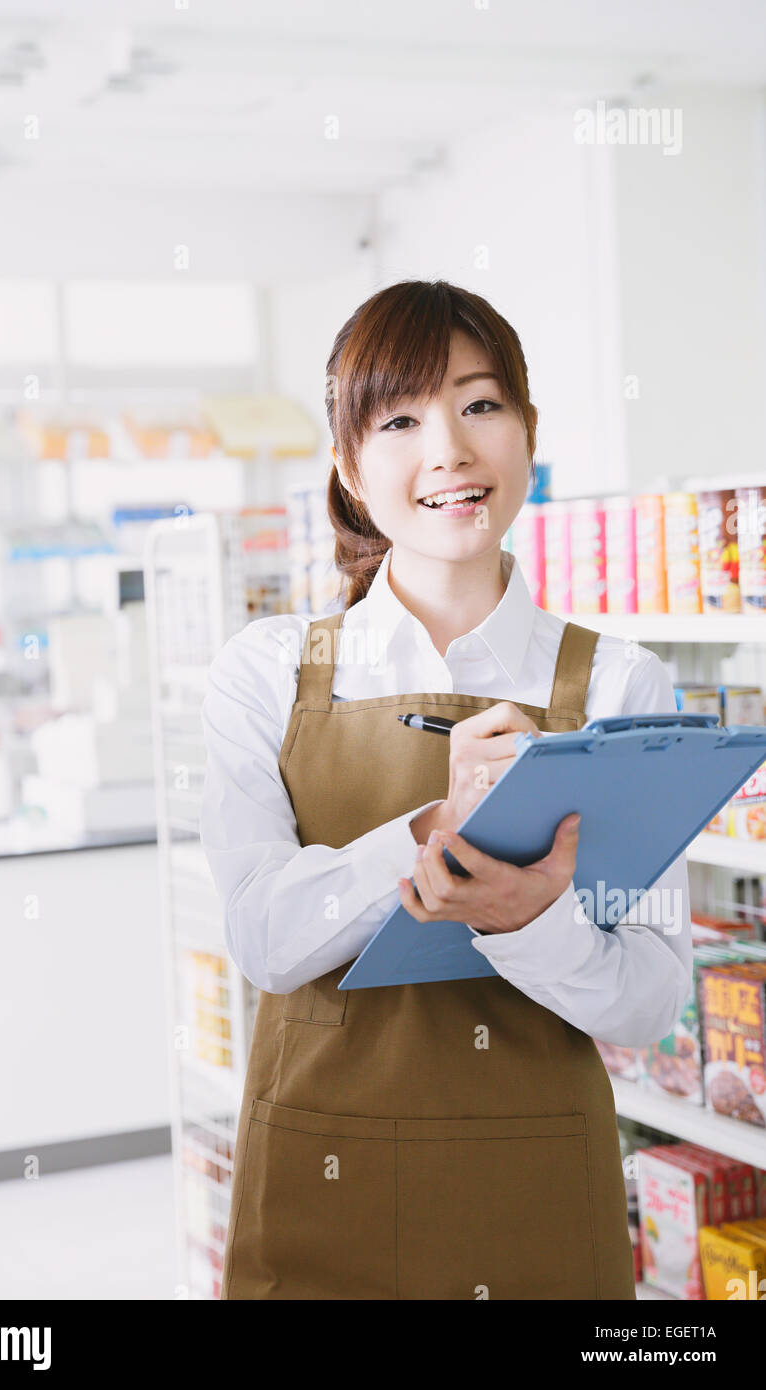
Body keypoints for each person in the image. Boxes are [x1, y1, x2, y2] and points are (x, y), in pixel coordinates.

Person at [200, 279, 692, 1300]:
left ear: (525, 430)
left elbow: (647, 1000)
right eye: (399, 419)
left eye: (478, 404)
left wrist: (528, 919)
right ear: (345, 462)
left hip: (535, 1194)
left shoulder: (616, 685)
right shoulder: (265, 671)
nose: (449, 452)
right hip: (317, 1186)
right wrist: (432, 831)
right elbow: (263, 938)